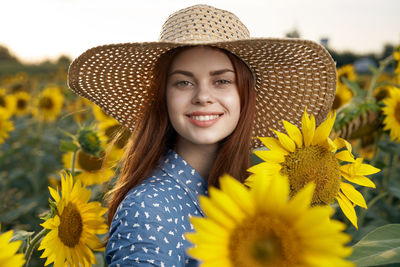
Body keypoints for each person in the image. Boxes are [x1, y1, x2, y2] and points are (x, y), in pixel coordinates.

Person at [67, 4, 337, 266]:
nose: (203, 97)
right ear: (164, 98)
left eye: (222, 81)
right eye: (183, 82)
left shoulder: (243, 196)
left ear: (245, 95)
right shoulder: (150, 209)